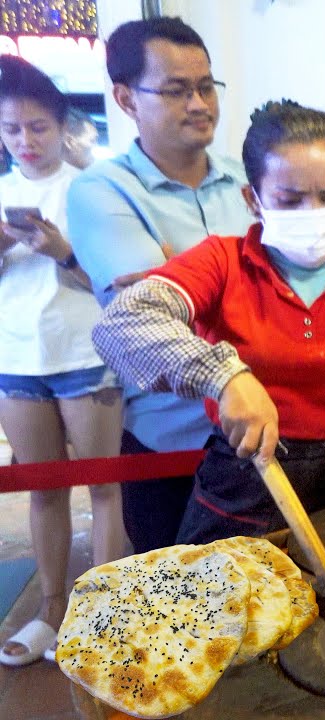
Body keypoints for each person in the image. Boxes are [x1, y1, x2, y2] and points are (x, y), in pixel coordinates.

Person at [93, 100, 325, 543]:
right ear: (253, 199)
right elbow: (123, 323)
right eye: (290, 200)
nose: (313, 212)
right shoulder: (222, 263)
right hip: (243, 492)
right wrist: (224, 378)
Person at [67, 17, 255, 552]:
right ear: (126, 98)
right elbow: (147, 317)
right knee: (178, 596)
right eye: (176, 90)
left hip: (258, 439)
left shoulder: (249, 182)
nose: (199, 104)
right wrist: (252, 291)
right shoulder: (100, 192)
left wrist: (184, 279)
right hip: (169, 445)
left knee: (272, 591)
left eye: (206, 87)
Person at [0, 57, 125, 667]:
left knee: (105, 487)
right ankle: (51, 609)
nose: (25, 140)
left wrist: (61, 250)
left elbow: (112, 281)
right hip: (17, 356)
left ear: (61, 125)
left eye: (38, 127)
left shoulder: (90, 189)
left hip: (85, 350)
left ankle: (103, 614)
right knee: (43, 490)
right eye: (11, 129)